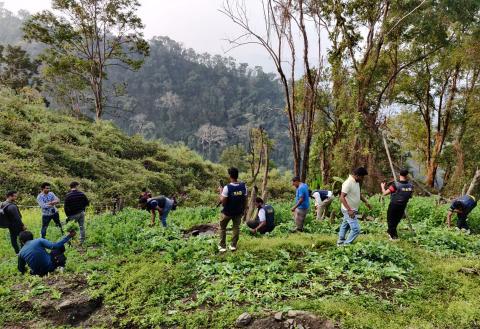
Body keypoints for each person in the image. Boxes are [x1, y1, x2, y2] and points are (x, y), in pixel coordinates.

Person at [337, 167, 372, 246]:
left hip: (353, 209)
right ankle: (346, 244)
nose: (362, 179)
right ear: (356, 175)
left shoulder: (356, 182)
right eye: (362, 177)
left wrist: (366, 202)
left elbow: (358, 194)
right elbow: (342, 197)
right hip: (348, 210)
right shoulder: (348, 183)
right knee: (356, 229)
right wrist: (349, 210)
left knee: (345, 225)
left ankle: (340, 242)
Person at [218, 167, 247, 252]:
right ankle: (233, 245)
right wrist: (244, 209)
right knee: (236, 227)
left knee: (222, 228)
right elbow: (245, 199)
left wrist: (220, 191)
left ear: (230, 175)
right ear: (237, 175)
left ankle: (222, 247)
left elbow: (223, 202)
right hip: (238, 212)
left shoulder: (227, 188)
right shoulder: (243, 186)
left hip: (227, 212)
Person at [380, 169, 414, 240]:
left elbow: (385, 193)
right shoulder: (411, 186)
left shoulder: (396, 185)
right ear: (407, 175)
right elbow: (410, 196)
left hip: (394, 205)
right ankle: (392, 234)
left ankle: (392, 236)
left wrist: (382, 187)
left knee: (390, 220)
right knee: (396, 220)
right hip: (403, 205)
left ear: (399, 175)